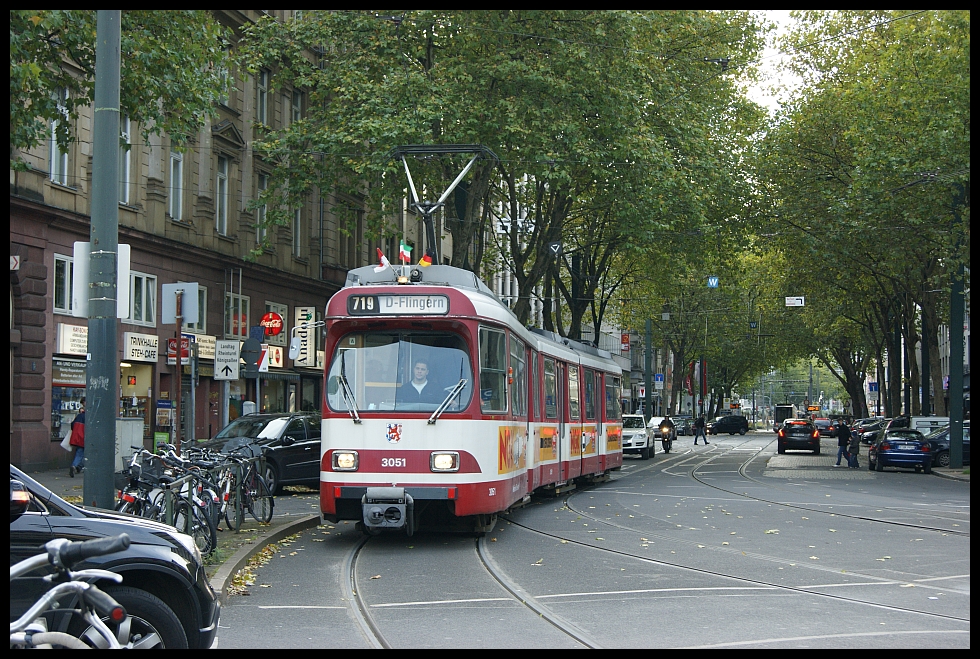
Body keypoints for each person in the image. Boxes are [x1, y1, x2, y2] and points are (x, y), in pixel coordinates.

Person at [68, 401, 86, 477]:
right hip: (86, 438)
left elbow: (72, 425)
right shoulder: (89, 417)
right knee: (86, 454)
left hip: (78, 438)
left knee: (79, 453)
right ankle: (77, 466)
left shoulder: (79, 416)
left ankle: (76, 466)